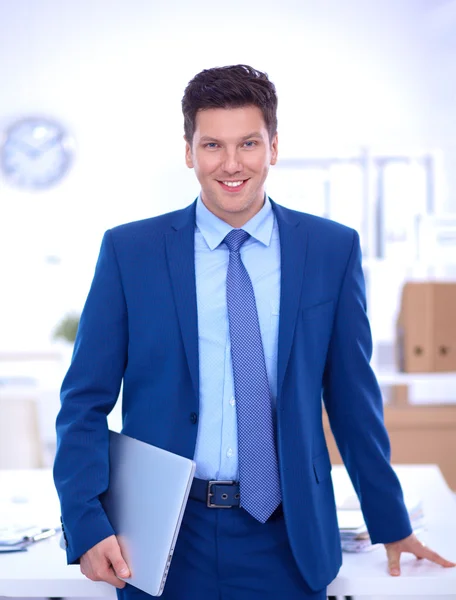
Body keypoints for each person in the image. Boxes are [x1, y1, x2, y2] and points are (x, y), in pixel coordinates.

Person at [53, 64, 455, 600]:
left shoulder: (329, 250)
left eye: (248, 143)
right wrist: (87, 523)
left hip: (289, 537)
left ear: (273, 146)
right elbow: (82, 402)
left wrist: (391, 522)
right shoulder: (131, 252)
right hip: (161, 536)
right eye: (213, 145)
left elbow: (354, 403)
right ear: (189, 151)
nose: (232, 164)